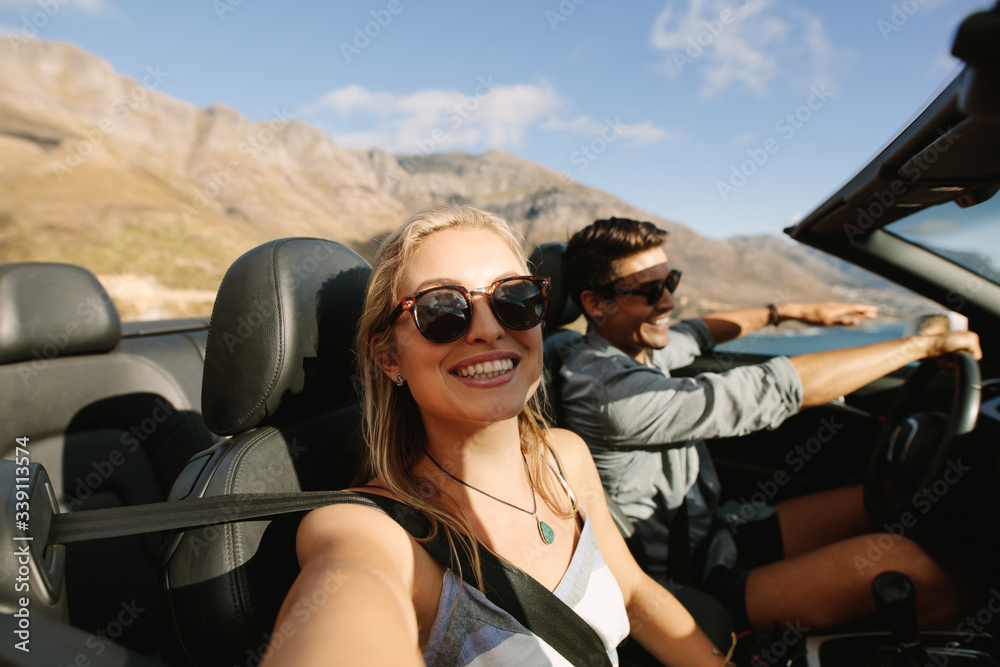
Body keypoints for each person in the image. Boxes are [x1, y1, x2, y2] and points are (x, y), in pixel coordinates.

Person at [260, 205, 729, 666]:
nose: (488, 328)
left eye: (515, 299)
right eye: (440, 309)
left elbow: (633, 590)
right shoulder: (367, 529)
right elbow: (347, 606)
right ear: (389, 357)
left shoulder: (565, 456)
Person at [559, 216, 983, 635]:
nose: (669, 302)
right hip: (684, 578)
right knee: (913, 570)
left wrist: (787, 312)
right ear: (597, 303)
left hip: (715, 532)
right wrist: (919, 346)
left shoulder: (628, 346)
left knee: (890, 497)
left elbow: (698, 332)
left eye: (670, 282)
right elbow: (765, 390)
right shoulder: (609, 391)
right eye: (651, 291)